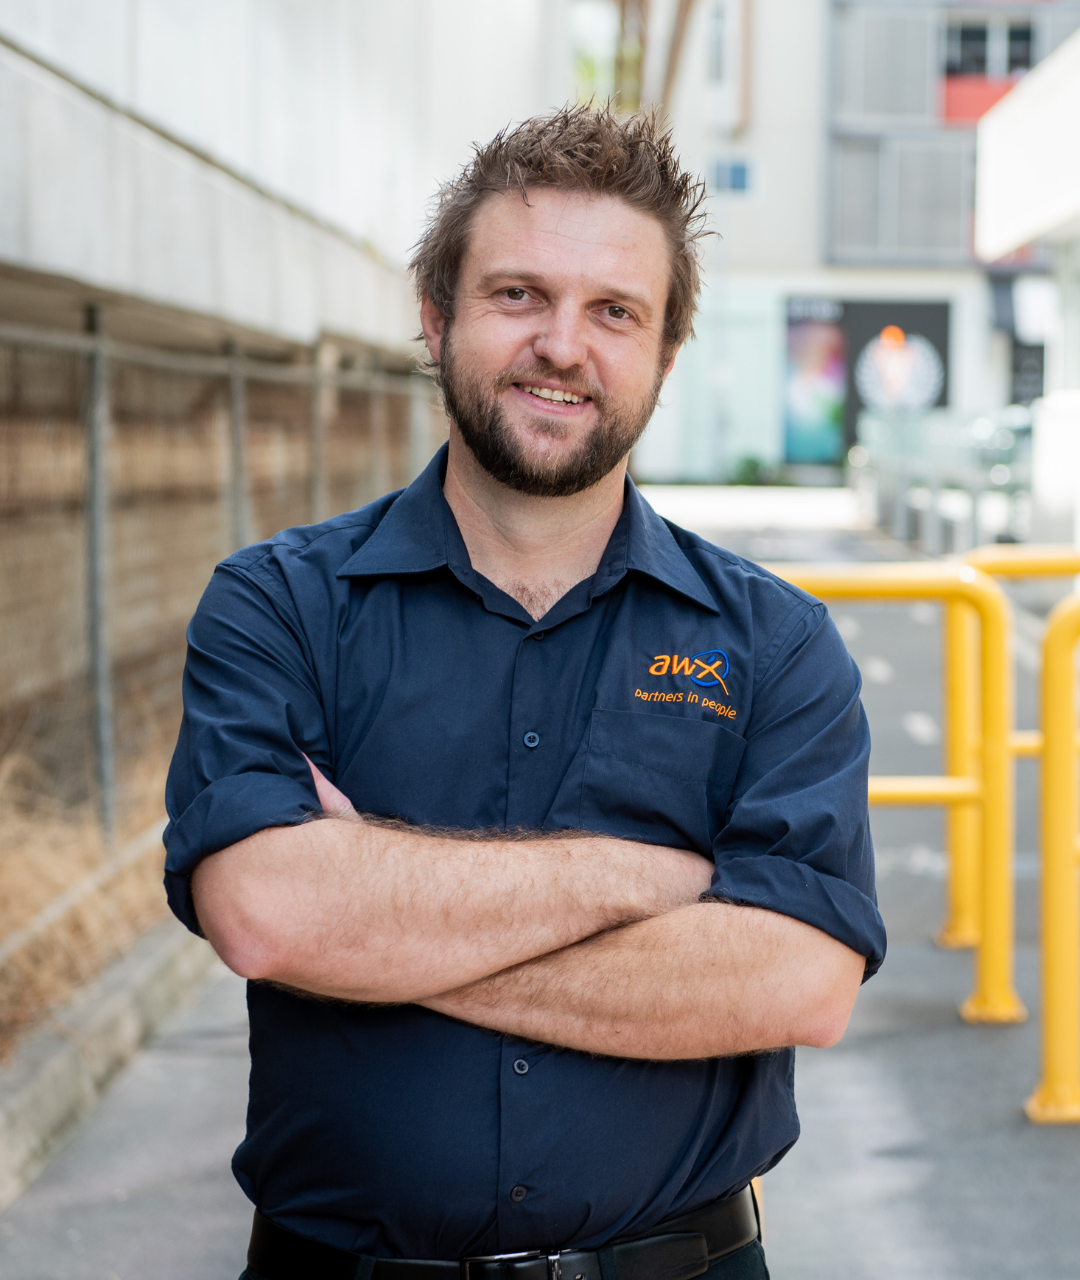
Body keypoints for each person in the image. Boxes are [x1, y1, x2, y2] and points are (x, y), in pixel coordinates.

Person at [165, 106, 885, 1280]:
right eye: (518, 295)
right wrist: (641, 881)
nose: (563, 343)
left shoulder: (774, 643)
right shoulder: (281, 605)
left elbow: (798, 979)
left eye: (615, 312)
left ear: (663, 353)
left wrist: (381, 931)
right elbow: (267, 913)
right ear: (436, 314)